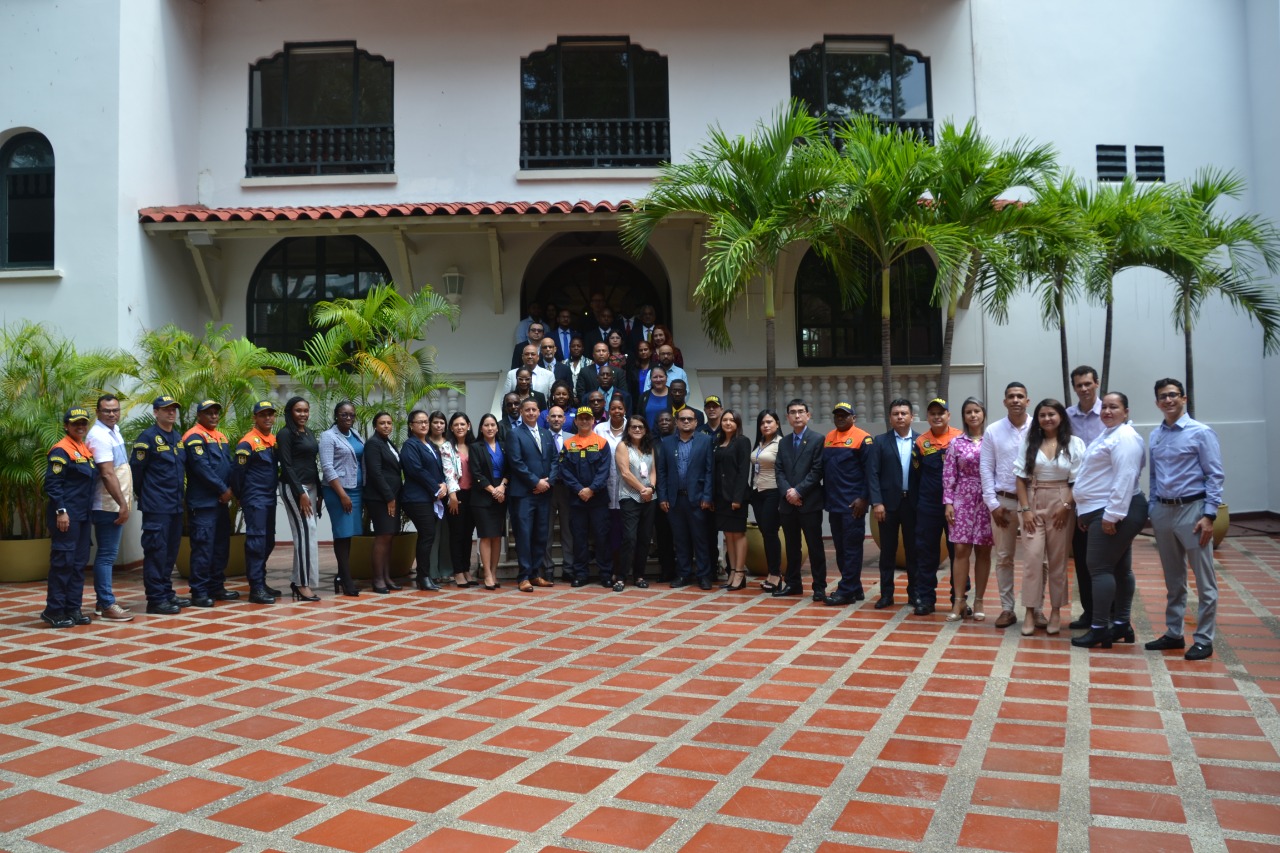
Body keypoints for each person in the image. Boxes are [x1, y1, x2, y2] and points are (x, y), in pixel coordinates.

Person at [1145, 379, 1224, 661]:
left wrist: (1209, 515)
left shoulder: (1201, 433)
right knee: (1173, 579)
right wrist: (1153, 508)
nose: (1168, 400)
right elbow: (1154, 476)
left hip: (1193, 511)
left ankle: (1203, 639)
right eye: (1162, 397)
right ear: (1157, 402)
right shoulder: (1155, 435)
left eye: (1172, 395)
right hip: (1164, 513)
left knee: (1205, 581)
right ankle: (1173, 633)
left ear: (1183, 398)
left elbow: (1214, 475)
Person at [1070, 392, 1147, 649]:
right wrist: (1085, 512)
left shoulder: (1125, 438)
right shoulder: (1109, 434)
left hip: (1114, 511)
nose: (1107, 411)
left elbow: (1125, 478)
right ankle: (1122, 625)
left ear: (1126, 411)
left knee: (1099, 568)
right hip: (1099, 510)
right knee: (1120, 569)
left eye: (1114, 407)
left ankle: (1100, 628)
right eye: (1105, 407)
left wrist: (1110, 516)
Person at [1014, 399, 1085, 635]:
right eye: (1042, 415)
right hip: (1033, 499)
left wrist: (1067, 505)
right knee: (1032, 560)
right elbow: (1020, 479)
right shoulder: (1030, 442)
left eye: (1051, 414)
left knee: (1058, 561)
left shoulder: (1074, 443)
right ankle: (1030, 612)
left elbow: (1080, 480)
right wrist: (1025, 510)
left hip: (1062, 501)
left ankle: (1055, 611)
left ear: (1061, 417)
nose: (1047, 419)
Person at [980, 382, 1033, 630]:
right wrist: (992, 504)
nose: (1015, 400)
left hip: (1033, 502)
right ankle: (1007, 608)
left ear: (1027, 400)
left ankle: (1036, 609)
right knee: (1003, 557)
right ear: (1004, 401)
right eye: (1011, 396)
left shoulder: (1039, 427)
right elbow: (986, 468)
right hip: (1003, 502)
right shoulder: (993, 430)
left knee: (1037, 557)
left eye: (1020, 396)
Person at [133, 395, 190, 615]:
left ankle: (166, 592)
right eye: (166, 409)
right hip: (156, 506)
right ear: (155, 412)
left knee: (170, 552)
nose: (171, 413)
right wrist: (146, 495)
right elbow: (136, 471)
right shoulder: (146, 438)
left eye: (174, 409)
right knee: (156, 551)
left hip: (175, 505)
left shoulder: (176, 436)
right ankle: (155, 599)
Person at [41, 407, 97, 629]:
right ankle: (54, 611)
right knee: (63, 563)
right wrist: (61, 511)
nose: (80, 426)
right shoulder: (61, 450)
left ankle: (72, 608)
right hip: (66, 516)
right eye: (75, 423)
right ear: (66, 426)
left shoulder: (83, 449)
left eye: (83, 423)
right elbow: (53, 485)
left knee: (78, 564)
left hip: (82, 516)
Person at [942, 398, 994, 622]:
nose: (973, 415)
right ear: (963, 416)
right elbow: (948, 475)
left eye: (977, 411)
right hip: (962, 499)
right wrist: (949, 502)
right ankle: (959, 601)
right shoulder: (956, 443)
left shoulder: (992, 440)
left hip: (987, 499)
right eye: (968, 412)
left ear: (983, 413)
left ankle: (979, 600)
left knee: (983, 551)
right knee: (961, 550)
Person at [910, 398, 961, 616]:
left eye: (941, 413)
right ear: (927, 417)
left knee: (958, 554)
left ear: (948, 415)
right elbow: (916, 475)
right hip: (929, 506)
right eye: (932, 413)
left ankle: (959, 599)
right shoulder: (921, 442)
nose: (937, 416)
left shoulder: (960, 437)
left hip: (956, 507)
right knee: (926, 554)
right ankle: (926, 599)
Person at [85, 394, 133, 621]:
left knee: (108, 555)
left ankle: (101, 602)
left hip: (115, 503)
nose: (112, 414)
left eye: (115, 410)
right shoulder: (99, 436)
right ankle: (106, 604)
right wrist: (122, 504)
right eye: (106, 411)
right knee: (106, 556)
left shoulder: (113, 430)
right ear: (98, 412)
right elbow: (106, 472)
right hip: (107, 505)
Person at [182, 399, 234, 608]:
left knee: (221, 546)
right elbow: (201, 468)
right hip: (203, 503)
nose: (213, 416)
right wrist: (223, 490)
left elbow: (228, 466)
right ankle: (199, 591)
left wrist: (231, 490)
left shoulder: (220, 437)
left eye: (216, 412)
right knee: (203, 547)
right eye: (208, 413)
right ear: (199, 416)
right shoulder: (194, 436)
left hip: (221, 503)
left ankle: (216, 586)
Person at [868, 399, 918, 609]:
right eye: (896, 413)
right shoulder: (880, 441)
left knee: (913, 552)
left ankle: (914, 594)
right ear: (890, 417)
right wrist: (877, 502)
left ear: (911, 417)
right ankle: (886, 594)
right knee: (887, 551)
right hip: (887, 506)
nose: (900, 417)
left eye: (904, 413)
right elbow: (872, 473)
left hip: (913, 505)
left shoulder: (921, 441)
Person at [821, 402, 873, 606]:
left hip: (853, 505)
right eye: (837, 415)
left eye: (845, 415)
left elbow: (870, 473)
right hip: (834, 504)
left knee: (851, 549)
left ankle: (846, 591)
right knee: (841, 549)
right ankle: (854, 587)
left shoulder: (863, 438)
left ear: (854, 418)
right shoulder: (829, 437)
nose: (840, 418)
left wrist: (864, 499)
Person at [775, 398, 827, 601]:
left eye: (801, 412)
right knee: (792, 546)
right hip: (788, 504)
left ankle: (819, 586)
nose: (797, 415)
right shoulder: (784, 441)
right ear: (787, 417)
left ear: (808, 415)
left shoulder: (817, 439)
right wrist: (788, 492)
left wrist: (799, 492)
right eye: (793, 412)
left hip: (809, 503)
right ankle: (793, 583)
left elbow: (817, 471)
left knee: (815, 546)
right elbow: (778, 470)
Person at [658, 406, 715, 589]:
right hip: (675, 500)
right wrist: (663, 497)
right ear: (676, 422)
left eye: (690, 419)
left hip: (698, 499)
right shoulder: (666, 443)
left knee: (700, 539)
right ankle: (683, 574)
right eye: (682, 419)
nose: (686, 422)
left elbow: (709, 471)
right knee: (680, 539)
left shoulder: (705, 441)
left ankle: (704, 575)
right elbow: (662, 472)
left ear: (696, 422)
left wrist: (707, 496)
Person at [506, 397, 559, 592]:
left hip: (544, 494)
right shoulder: (514, 434)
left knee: (541, 535)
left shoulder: (546, 434)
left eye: (534, 410)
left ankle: (536, 574)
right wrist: (536, 482)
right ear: (521, 412)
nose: (530, 413)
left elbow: (555, 460)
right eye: (526, 410)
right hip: (524, 494)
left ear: (539, 412)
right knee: (524, 535)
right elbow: (516, 462)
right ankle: (524, 577)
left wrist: (548, 482)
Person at [231, 400, 281, 604]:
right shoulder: (248, 442)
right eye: (263, 415)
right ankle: (256, 588)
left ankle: (261, 580)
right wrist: (242, 496)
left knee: (268, 541)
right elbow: (237, 474)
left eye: (270, 414)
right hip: (255, 499)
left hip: (269, 498)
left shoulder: (273, 440)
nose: (268, 418)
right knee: (257, 543)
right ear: (255, 418)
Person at [1066, 365, 1104, 630]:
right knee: (1082, 557)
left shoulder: (1111, 413)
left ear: (1097, 383)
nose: (1084, 389)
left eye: (1088, 384)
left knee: (1108, 559)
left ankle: (1112, 614)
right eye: (1079, 385)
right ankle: (1090, 612)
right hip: (1078, 497)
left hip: (1105, 497)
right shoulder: (1067, 417)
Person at [277, 396, 322, 602]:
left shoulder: (309, 432)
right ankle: (303, 585)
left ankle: (298, 580)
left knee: (308, 534)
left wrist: (319, 492)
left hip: (311, 487)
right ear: (290, 412)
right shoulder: (285, 434)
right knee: (305, 533)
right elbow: (286, 466)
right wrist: (301, 493)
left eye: (305, 410)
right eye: (298, 410)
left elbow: (312, 463)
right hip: (295, 489)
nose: (302, 414)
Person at [564, 406, 615, 588]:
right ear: (576, 421)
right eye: (581, 418)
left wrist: (591, 489)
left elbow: (604, 470)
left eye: (588, 418)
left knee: (602, 537)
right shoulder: (568, 444)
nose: (584, 421)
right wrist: (580, 490)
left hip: (598, 499)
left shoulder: (602, 443)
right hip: (577, 500)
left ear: (594, 421)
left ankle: (606, 573)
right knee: (579, 537)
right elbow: (565, 471)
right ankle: (581, 573)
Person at [319, 401, 364, 596]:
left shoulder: (355, 434)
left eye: (351, 415)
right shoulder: (328, 436)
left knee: (350, 534)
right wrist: (343, 495)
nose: (348, 418)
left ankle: (341, 575)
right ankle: (346, 581)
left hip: (356, 490)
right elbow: (327, 467)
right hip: (338, 492)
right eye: (344, 414)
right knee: (342, 535)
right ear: (336, 415)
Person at [401, 410, 446, 592]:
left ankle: (424, 575)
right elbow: (416, 470)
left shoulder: (429, 445)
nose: (424, 425)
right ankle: (423, 577)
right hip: (416, 498)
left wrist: (443, 484)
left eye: (426, 421)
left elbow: (437, 468)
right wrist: (436, 487)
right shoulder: (410, 445)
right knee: (427, 535)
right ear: (411, 425)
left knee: (428, 536)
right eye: (419, 422)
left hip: (431, 497)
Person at [616, 414, 657, 590]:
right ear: (629, 429)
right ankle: (621, 577)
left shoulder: (649, 447)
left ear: (646, 429)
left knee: (644, 539)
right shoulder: (623, 446)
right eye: (634, 427)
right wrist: (642, 489)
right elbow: (625, 473)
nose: (637, 429)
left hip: (649, 498)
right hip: (629, 497)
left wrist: (652, 488)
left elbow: (653, 470)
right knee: (629, 538)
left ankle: (639, 575)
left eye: (641, 426)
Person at [363, 411, 403, 594]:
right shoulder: (373, 444)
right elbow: (376, 473)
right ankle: (377, 579)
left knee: (390, 536)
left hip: (392, 496)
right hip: (381, 498)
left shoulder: (387, 442)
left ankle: (387, 577)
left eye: (388, 423)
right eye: (382, 423)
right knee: (383, 536)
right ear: (375, 426)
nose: (386, 426)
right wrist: (389, 498)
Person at [713, 409, 751, 592]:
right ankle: (731, 572)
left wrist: (738, 497)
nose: (728, 423)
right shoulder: (718, 442)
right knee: (728, 536)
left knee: (738, 534)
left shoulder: (742, 441)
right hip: (720, 497)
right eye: (725, 420)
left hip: (736, 497)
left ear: (738, 423)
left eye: (732, 420)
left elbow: (744, 471)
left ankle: (740, 573)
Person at [469, 414, 508, 590]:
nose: (490, 428)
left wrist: (503, 487)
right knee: (485, 536)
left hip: (502, 494)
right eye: (486, 425)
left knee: (497, 536)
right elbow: (476, 474)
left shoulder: (504, 446)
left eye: (493, 425)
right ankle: (486, 574)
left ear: (497, 428)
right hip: (483, 497)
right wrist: (494, 491)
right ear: (481, 428)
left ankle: (494, 571)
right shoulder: (475, 447)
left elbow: (511, 468)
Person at [595, 396, 629, 575]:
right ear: (608, 411)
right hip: (604, 489)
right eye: (613, 408)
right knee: (606, 533)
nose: (617, 411)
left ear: (625, 410)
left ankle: (623, 569)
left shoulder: (632, 428)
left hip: (627, 489)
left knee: (624, 533)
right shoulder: (600, 429)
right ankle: (608, 571)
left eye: (620, 408)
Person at [750, 410, 783, 591]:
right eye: (762, 423)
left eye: (769, 422)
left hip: (773, 492)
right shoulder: (760, 443)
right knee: (765, 533)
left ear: (777, 424)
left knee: (770, 533)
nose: (766, 426)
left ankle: (775, 575)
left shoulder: (781, 443)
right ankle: (772, 572)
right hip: (757, 492)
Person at [544, 405, 575, 581]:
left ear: (565, 419)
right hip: (547, 489)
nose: (556, 419)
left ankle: (568, 568)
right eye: (553, 416)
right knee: (546, 531)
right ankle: (547, 569)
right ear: (547, 419)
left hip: (567, 489)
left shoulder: (572, 438)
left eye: (559, 416)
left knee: (567, 531)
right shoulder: (542, 436)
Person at [446, 412, 476, 587]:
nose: (459, 427)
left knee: (468, 534)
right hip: (456, 495)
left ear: (468, 426)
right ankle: (457, 571)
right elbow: (448, 472)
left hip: (473, 495)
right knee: (456, 534)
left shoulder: (474, 446)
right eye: (456, 425)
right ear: (451, 427)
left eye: (462, 424)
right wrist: (452, 496)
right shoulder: (447, 447)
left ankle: (466, 569)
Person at [653, 410, 677, 581]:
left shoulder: (681, 440)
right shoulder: (652, 443)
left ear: (674, 422)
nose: (664, 423)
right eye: (661, 420)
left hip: (681, 495)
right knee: (663, 536)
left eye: (668, 420)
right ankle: (666, 570)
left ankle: (683, 569)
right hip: (659, 496)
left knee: (681, 535)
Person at [638, 366, 672, 430]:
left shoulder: (673, 395)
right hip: (648, 437)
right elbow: (639, 418)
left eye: (661, 376)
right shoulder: (644, 396)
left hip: (668, 437)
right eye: (655, 377)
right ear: (650, 379)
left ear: (666, 378)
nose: (658, 380)